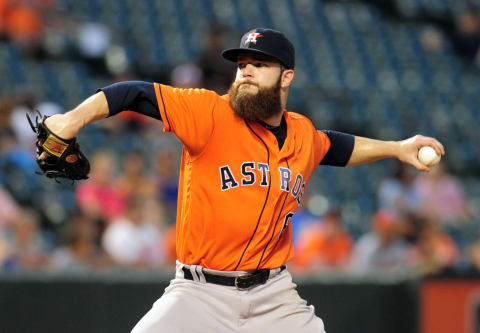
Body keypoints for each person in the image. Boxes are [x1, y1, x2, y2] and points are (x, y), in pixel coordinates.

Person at [39, 28, 444, 333]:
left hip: (274, 296)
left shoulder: (303, 133)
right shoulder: (209, 114)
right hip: (200, 293)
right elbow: (131, 94)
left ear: (286, 77)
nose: (246, 72)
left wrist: (398, 147)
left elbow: (335, 147)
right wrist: (70, 121)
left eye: (259, 65)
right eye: (242, 65)